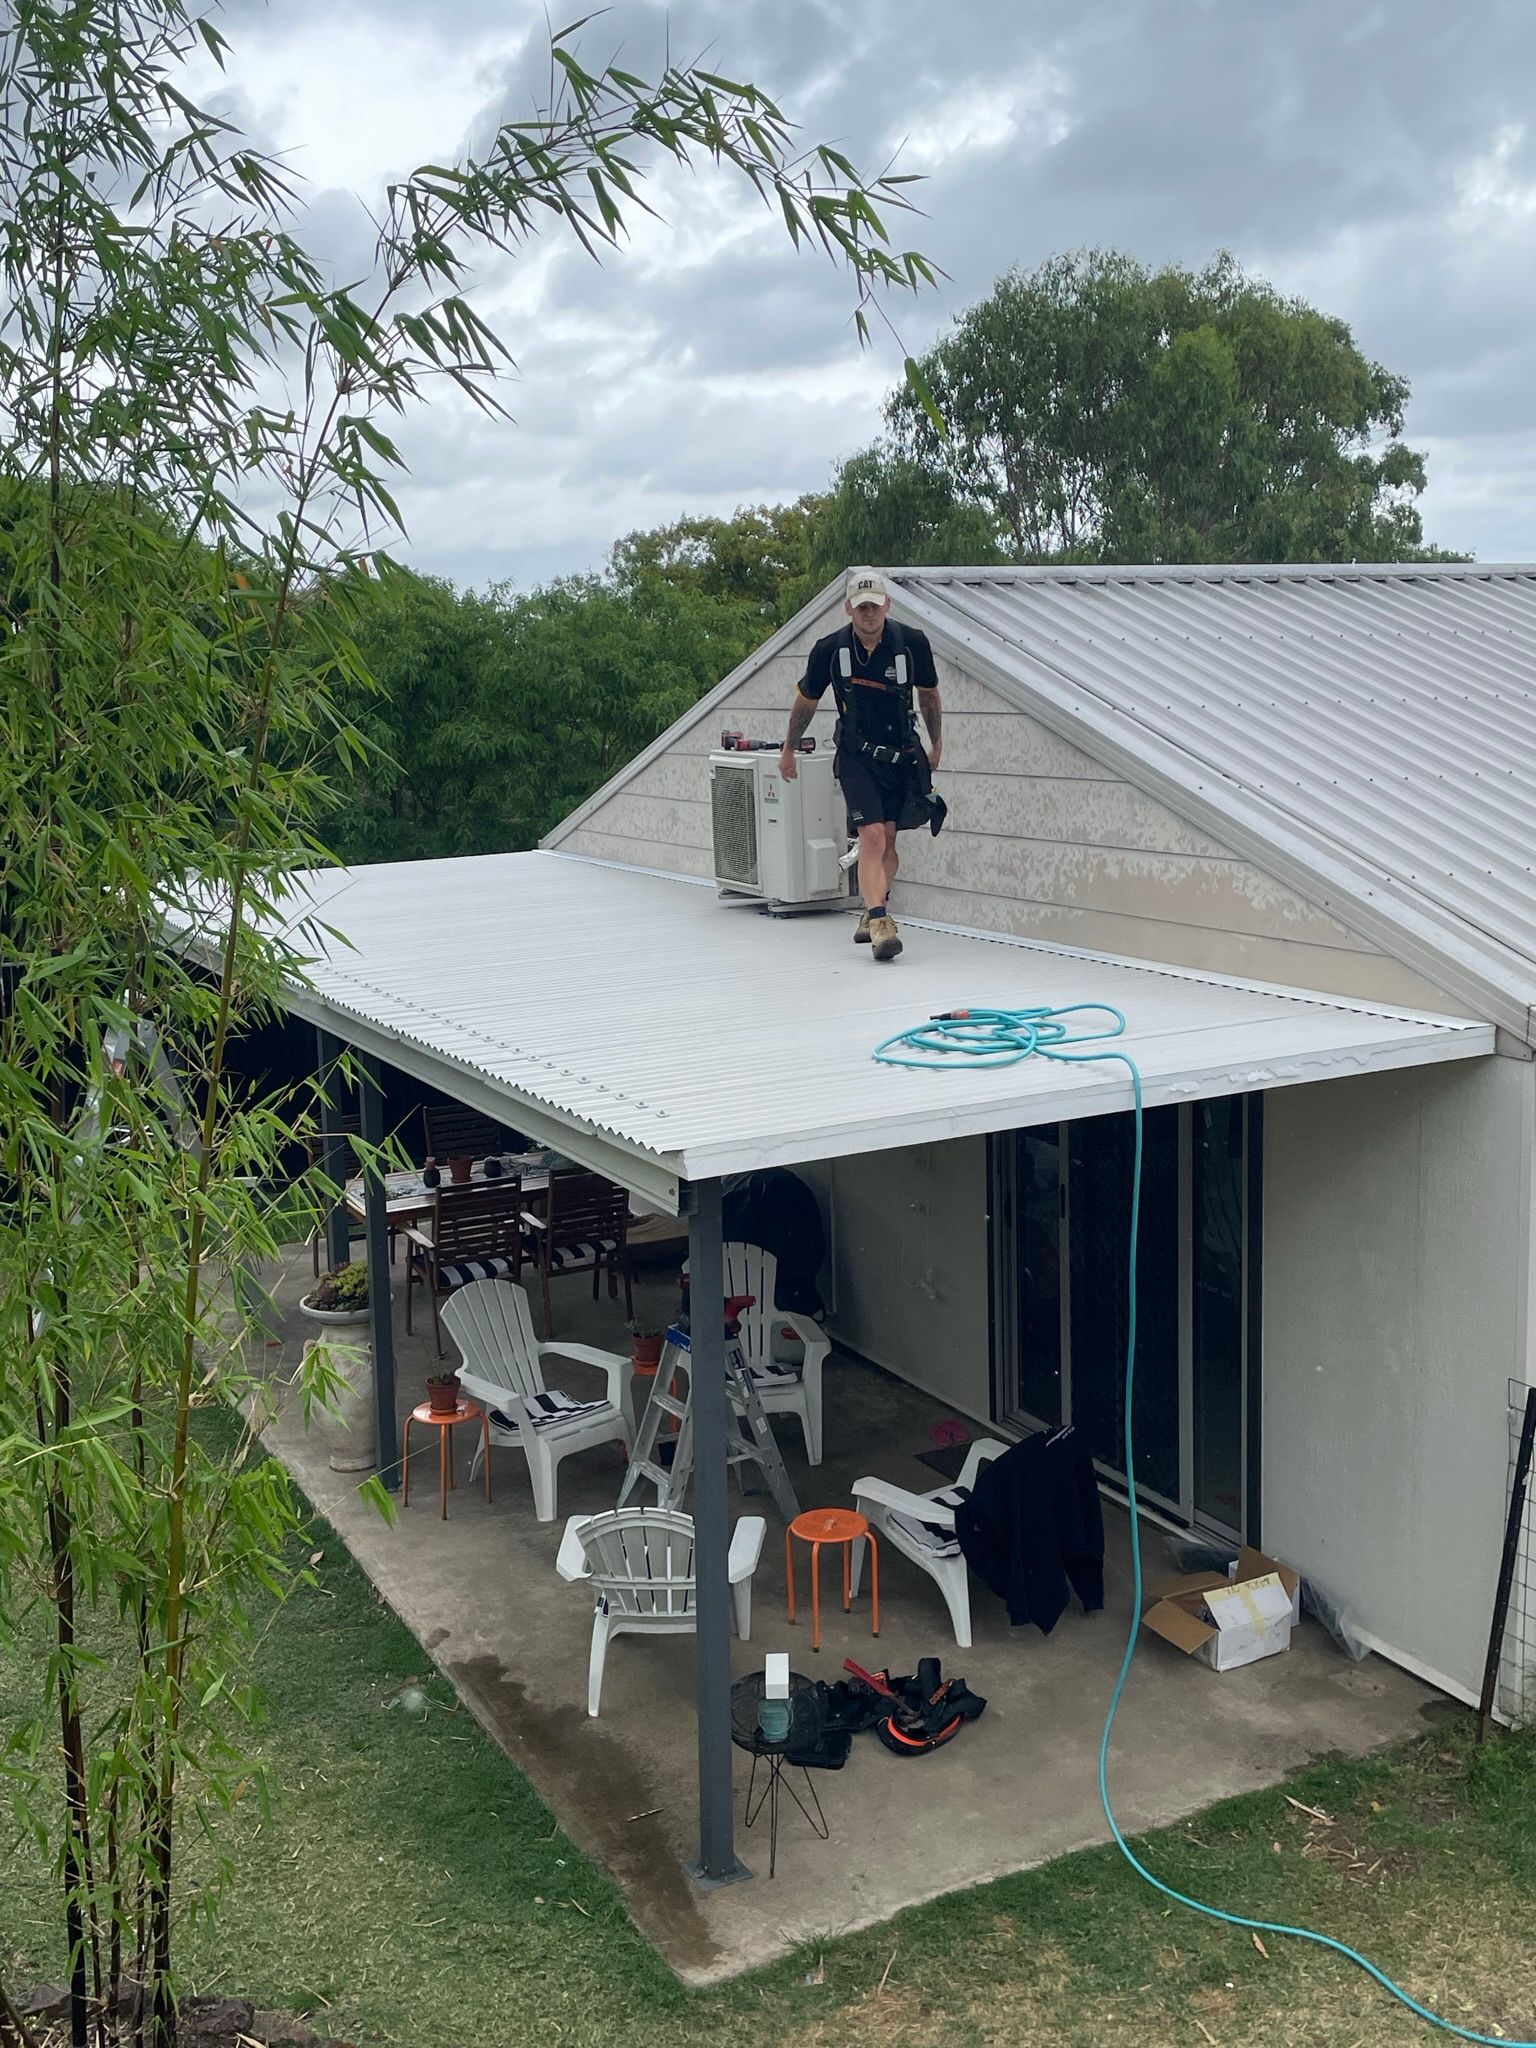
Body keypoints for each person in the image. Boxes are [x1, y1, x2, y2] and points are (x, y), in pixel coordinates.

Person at [778, 568, 944, 961]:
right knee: (871, 836)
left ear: (886, 605)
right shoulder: (829, 650)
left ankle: (873, 905)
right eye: (861, 607)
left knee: (888, 839)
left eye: (874, 606)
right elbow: (806, 700)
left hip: (901, 753)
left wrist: (936, 744)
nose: (868, 614)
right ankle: (882, 924)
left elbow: (930, 695)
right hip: (856, 755)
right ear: (849, 609)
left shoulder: (911, 644)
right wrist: (788, 748)